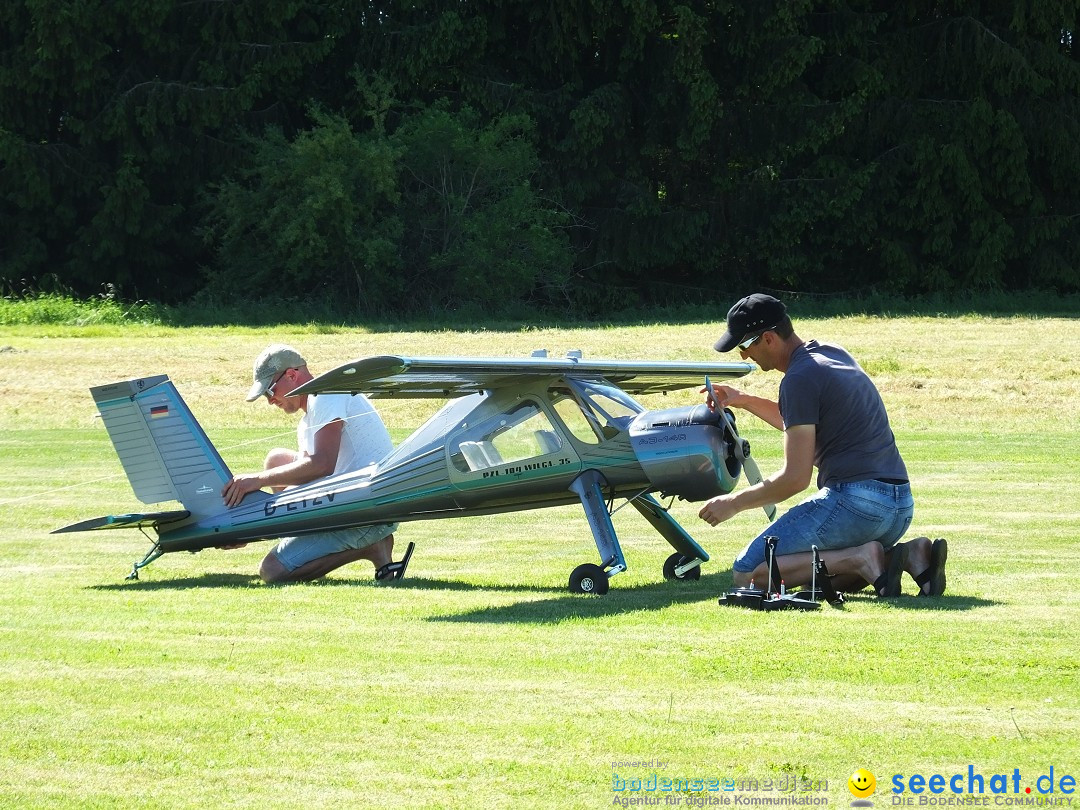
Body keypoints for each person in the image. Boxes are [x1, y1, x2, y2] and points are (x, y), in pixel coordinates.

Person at [698, 293, 947, 597]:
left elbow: (795, 479)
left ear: (768, 338)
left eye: (744, 346)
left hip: (856, 504)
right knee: (818, 579)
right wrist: (742, 400)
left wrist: (732, 504)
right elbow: (804, 421)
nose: (744, 357)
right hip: (899, 507)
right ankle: (909, 554)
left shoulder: (798, 379)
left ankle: (863, 556)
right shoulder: (831, 353)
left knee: (748, 574)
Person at [221, 343, 413, 584]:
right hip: (352, 506)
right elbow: (306, 483)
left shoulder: (327, 395)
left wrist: (256, 480)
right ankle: (365, 543)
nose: (270, 401)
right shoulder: (310, 416)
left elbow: (322, 465)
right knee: (277, 459)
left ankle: (371, 547)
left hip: (365, 513)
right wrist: (249, 528)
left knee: (272, 571)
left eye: (270, 391)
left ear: (291, 375)